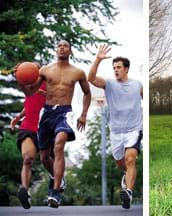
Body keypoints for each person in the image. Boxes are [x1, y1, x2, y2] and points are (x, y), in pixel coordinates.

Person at [21, 40, 91, 208]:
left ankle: (55, 191)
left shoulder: (78, 72)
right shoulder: (45, 70)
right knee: (44, 157)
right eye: (59, 45)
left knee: (59, 145)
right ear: (56, 50)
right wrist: (21, 82)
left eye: (65, 46)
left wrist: (83, 114)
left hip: (64, 112)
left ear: (70, 51)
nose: (61, 47)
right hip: (47, 113)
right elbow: (30, 92)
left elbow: (87, 92)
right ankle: (58, 178)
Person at [88, 45, 143, 209]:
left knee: (130, 158)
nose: (116, 70)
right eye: (114, 68)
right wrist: (98, 59)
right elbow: (90, 78)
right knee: (121, 162)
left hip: (134, 129)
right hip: (116, 131)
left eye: (118, 67)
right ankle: (126, 174)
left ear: (126, 69)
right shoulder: (109, 84)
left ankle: (128, 192)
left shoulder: (138, 85)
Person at [10, 66, 46, 209]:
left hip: (46, 128)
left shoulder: (48, 83)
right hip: (28, 128)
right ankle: (24, 190)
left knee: (47, 160)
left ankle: (56, 184)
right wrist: (18, 117)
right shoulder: (28, 87)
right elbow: (29, 105)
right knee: (28, 159)